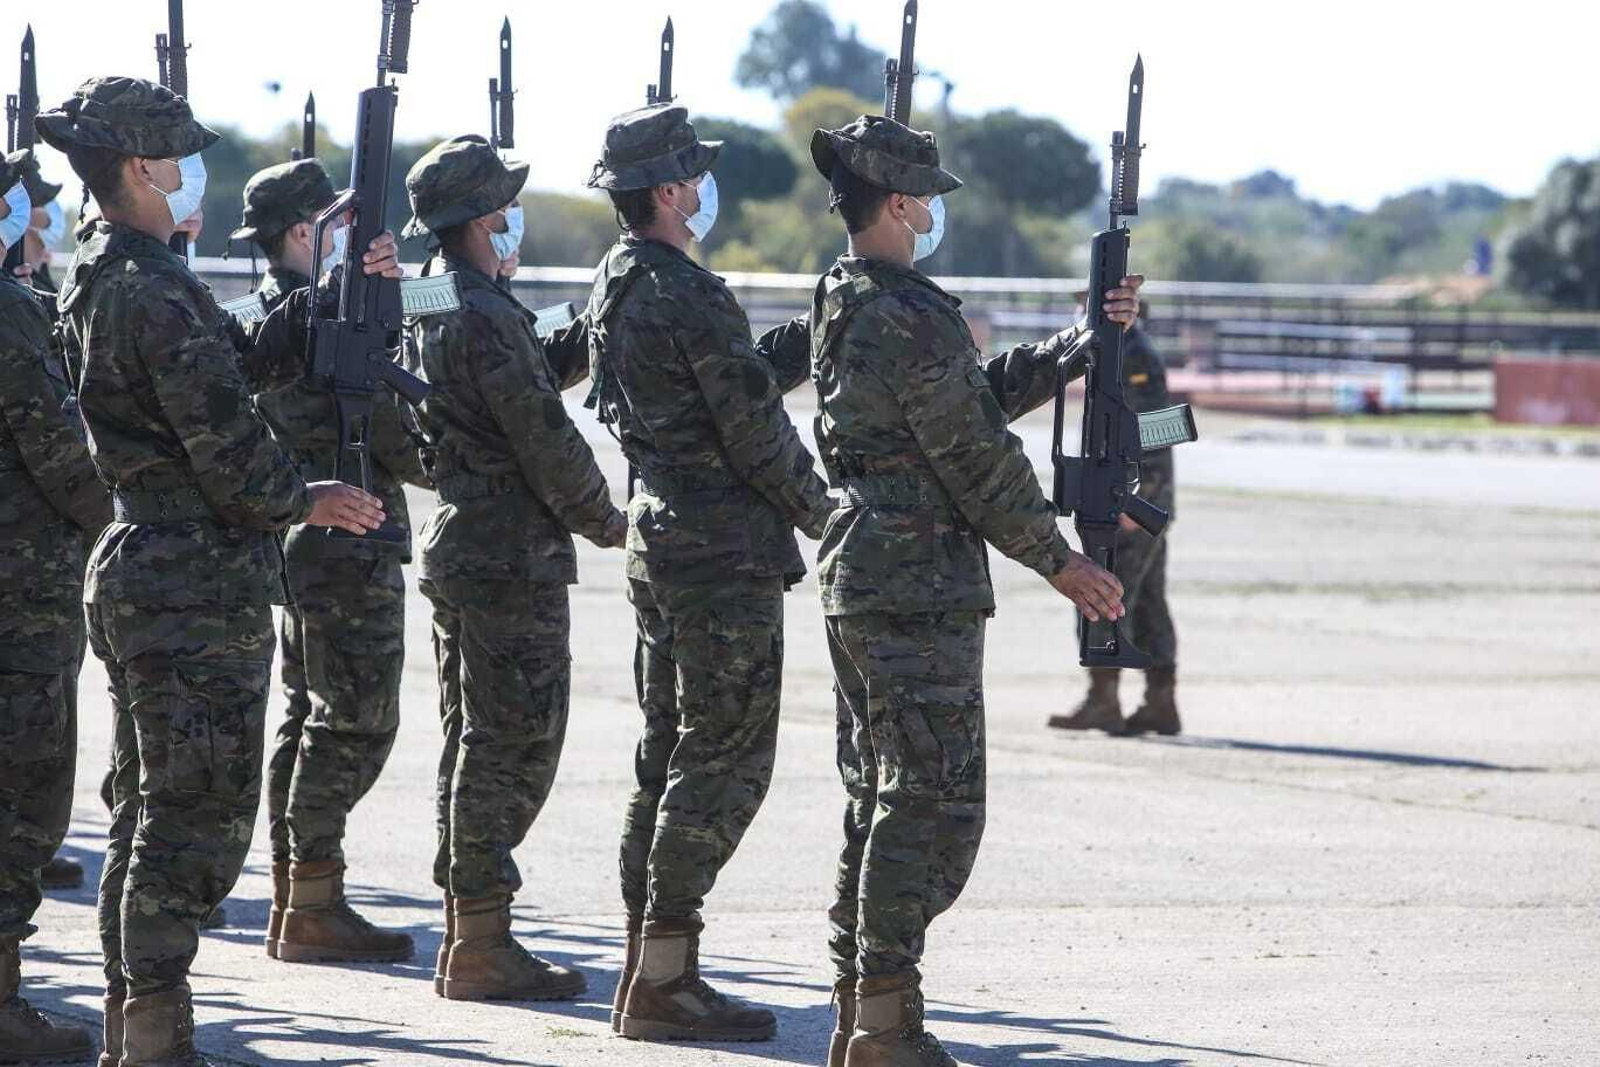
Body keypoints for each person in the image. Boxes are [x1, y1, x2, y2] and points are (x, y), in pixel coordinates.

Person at [36, 76, 397, 1067]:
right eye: (181, 155)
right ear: (142, 168)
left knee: (155, 805)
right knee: (190, 814)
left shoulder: (124, 267)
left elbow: (239, 361)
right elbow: (229, 445)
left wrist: (333, 294)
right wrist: (306, 494)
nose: (197, 171)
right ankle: (151, 1031)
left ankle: (142, 1019)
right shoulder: (148, 282)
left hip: (158, 563)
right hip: (190, 577)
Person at [805, 114, 1140, 1067]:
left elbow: (961, 399)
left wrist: (1075, 345)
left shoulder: (846, 293)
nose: (932, 214)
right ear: (901, 204)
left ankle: (863, 1002)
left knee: (881, 797)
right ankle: (882, 1019)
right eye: (926, 199)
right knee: (934, 806)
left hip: (868, 570)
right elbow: (971, 450)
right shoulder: (909, 309)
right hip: (913, 584)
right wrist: (1059, 559)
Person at [583, 103, 833, 1043]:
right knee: (723, 755)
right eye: (694, 174)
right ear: (671, 189)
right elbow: (753, 429)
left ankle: (650, 964)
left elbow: (724, 388)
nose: (704, 188)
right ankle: (664, 976)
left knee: (669, 753)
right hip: (719, 549)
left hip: (664, 534)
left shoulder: (622, 277)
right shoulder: (686, 290)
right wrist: (825, 515)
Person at [400, 134, 626, 1003]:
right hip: (506, 555)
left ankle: (472, 928)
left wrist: (581, 332)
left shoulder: (433, 292)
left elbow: (510, 369)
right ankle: (483, 939)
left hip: (466, 543)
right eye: (504, 210)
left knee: (475, 740)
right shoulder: (483, 313)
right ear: (480, 219)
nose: (514, 223)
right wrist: (608, 521)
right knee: (513, 743)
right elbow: (543, 434)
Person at [233, 158, 429, 963]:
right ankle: (311, 896)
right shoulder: (307, 322)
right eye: (337, 224)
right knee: (356, 719)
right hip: (343, 541)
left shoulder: (284, 315)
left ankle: (301, 893)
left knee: (309, 716)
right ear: (302, 234)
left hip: (308, 541)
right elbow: (393, 433)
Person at [0, 146, 109, 1065]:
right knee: (21, 799)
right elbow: (64, 458)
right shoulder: (6, 314)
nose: (29, 220)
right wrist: (146, 509)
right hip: (18, 600)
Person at [1049, 314, 1180, 736]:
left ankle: (1103, 700)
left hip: (1131, 506)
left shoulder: (1132, 354)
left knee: (1101, 594)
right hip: (1138, 501)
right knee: (1146, 604)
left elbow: (1156, 430)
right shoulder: (1123, 350)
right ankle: (1160, 702)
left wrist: (1134, 498)